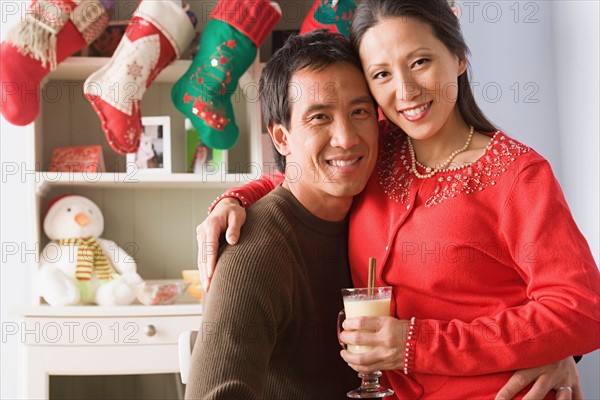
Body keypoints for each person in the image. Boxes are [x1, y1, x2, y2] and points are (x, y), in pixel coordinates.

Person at [195, 0, 600, 398]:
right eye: (381, 73)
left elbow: (582, 312)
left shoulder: (517, 174)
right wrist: (238, 197)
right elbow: (314, 166)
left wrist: (416, 344)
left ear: (458, 57)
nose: (405, 91)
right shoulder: (378, 149)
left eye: (420, 62)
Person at [184, 30, 379, 398]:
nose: (347, 138)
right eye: (320, 117)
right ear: (282, 137)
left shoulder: (377, 207)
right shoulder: (254, 250)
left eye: (359, 112)